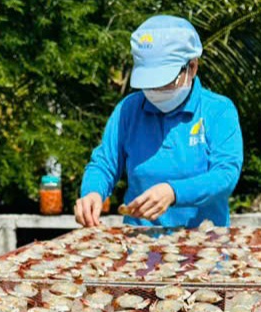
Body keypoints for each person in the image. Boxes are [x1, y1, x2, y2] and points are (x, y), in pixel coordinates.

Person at [75, 15, 243, 229]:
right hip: (139, 246)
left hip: (205, 244)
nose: (156, 91)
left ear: (192, 67)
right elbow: (104, 164)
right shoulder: (128, 110)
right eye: (149, 83)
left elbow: (225, 175)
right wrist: (92, 192)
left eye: (165, 81)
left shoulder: (218, 111)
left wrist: (173, 192)